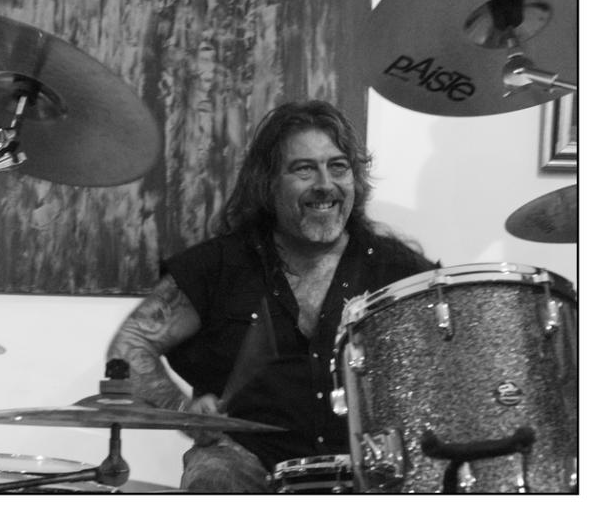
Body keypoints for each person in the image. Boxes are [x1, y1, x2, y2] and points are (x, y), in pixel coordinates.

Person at [107, 100, 438, 492]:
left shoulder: (398, 270)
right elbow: (130, 345)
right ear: (268, 183)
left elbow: (447, 367)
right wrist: (184, 412)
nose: (325, 184)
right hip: (245, 459)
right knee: (214, 476)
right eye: (304, 169)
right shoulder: (221, 265)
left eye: (338, 167)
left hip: (367, 466)